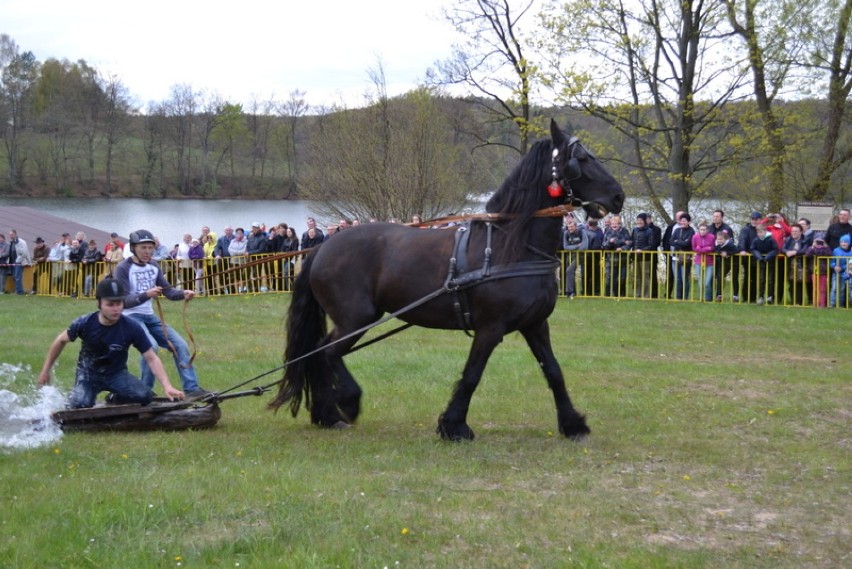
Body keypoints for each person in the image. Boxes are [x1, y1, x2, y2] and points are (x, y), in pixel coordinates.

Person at [37, 277, 185, 408]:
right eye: (110, 304)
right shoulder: (85, 322)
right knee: (80, 404)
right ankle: (77, 395)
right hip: (88, 374)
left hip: (117, 374)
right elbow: (60, 340)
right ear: (99, 304)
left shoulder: (131, 327)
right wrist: (45, 371)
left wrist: (167, 386)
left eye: (119, 303)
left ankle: (115, 397)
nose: (116, 309)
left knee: (144, 396)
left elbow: (151, 357)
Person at [114, 229, 210, 398]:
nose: (147, 252)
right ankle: (144, 391)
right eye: (143, 248)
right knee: (151, 347)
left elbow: (168, 292)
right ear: (134, 248)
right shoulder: (123, 268)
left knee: (180, 345)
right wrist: (146, 295)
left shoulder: (153, 265)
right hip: (130, 318)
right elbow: (123, 300)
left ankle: (192, 388)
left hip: (149, 316)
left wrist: (183, 293)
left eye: (150, 248)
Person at [602, 214, 631, 297]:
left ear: (620, 224)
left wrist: (622, 248)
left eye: (616, 223)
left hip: (623, 259)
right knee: (610, 278)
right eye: (612, 223)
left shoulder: (625, 231)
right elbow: (604, 245)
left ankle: (621, 295)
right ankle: (607, 295)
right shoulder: (607, 231)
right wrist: (610, 242)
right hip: (610, 259)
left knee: (622, 278)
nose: (614, 225)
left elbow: (629, 243)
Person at [751, 224, 779, 305]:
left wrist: (768, 256)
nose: (760, 234)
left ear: (765, 231)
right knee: (761, 279)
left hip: (770, 261)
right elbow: (753, 249)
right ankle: (761, 297)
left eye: (761, 232)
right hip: (761, 262)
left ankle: (770, 296)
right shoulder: (755, 240)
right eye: (758, 232)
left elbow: (775, 249)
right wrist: (759, 257)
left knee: (770, 280)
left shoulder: (771, 240)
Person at [737, 212, 762, 303]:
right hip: (748, 258)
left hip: (759, 258)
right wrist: (742, 249)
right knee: (748, 277)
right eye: (753, 219)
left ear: (760, 220)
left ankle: (754, 298)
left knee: (757, 279)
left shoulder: (762, 229)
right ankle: (746, 297)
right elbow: (742, 239)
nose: (754, 221)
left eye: (756, 219)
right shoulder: (745, 229)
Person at [669, 213, 695, 300]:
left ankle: (685, 297)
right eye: (681, 221)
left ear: (689, 222)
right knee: (678, 279)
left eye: (684, 221)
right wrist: (680, 242)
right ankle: (678, 297)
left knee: (685, 278)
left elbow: (687, 243)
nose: (682, 222)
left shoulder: (691, 231)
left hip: (686, 258)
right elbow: (671, 241)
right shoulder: (677, 230)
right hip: (675, 257)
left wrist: (677, 241)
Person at [561, 216, 588, 298]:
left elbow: (585, 246)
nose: (570, 228)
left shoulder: (582, 232)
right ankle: (572, 292)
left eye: (572, 226)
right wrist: (577, 246)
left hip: (581, 256)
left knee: (569, 270)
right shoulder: (566, 233)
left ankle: (569, 292)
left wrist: (573, 248)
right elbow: (565, 247)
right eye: (569, 227)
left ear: (576, 226)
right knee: (569, 272)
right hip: (570, 256)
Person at [631, 213, 656, 298]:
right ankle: (637, 294)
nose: (639, 222)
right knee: (636, 276)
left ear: (645, 221)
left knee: (645, 276)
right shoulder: (634, 230)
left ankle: (646, 295)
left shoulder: (649, 231)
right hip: (635, 257)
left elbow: (651, 245)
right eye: (638, 220)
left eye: (641, 220)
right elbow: (632, 242)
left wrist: (642, 250)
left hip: (645, 257)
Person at [662, 211, 686, 299]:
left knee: (681, 276)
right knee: (670, 275)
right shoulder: (671, 227)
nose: (678, 219)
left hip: (683, 256)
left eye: (680, 217)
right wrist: (665, 252)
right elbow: (666, 240)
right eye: (677, 217)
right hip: (670, 255)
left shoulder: (688, 229)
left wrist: (678, 243)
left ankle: (681, 295)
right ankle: (668, 294)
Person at [782, 224, 807, 305]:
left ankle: (799, 302)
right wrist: (786, 252)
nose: (794, 233)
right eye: (792, 231)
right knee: (791, 282)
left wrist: (794, 252)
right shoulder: (787, 239)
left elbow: (805, 250)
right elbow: (783, 248)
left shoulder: (805, 240)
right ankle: (793, 301)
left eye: (796, 231)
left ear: (801, 232)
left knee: (799, 283)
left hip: (801, 264)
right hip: (790, 264)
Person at [692, 221, 716, 302]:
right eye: (701, 229)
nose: (702, 231)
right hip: (698, 261)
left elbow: (712, 248)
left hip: (710, 261)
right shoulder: (695, 237)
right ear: (699, 230)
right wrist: (706, 248)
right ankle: (701, 298)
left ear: (707, 230)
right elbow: (694, 248)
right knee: (700, 280)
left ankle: (708, 298)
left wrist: (701, 249)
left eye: (704, 230)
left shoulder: (712, 237)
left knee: (707, 282)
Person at [805, 237, 832, 308]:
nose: (819, 244)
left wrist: (826, 247)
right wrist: (812, 247)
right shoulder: (812, 248)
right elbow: (807, 254)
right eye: (817, 242)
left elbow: (830, 254)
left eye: (821, 242)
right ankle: (815, 303)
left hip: (823, 271)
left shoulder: (825, 249)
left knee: (822, 289)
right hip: (814, 270)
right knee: (815, 288)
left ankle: (822, 304)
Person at [713, 230, 738, 301]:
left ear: (725, 239)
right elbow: (715, 250)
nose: (719, 241)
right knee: (720, 276)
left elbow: (736, 250)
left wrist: (727, 253)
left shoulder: (730, 244)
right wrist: (720, 252)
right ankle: (719, 295)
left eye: (721, 239)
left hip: (735, 262)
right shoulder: (716, 244)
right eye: (718, 239)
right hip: (725, 262)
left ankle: (735, 295)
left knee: (734, 278)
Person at [829, 234, 852, 308]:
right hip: (836, 272)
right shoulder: (836, 250)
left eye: (845, 242)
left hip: (845, 272)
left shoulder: (851, 252)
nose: (843, 243)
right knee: (834, 288)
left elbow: (850, 263)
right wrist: (834, 266)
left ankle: (841, 304)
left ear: (849, 243)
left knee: (842, 289)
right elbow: (832, 261)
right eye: (841, 242)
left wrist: (842, 267)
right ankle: (831, 304)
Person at [6, 229, 32, 295]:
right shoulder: (12, 243)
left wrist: (18, 260)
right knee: (15, 276)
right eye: (10, 235)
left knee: (17, 277)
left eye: (12, 235)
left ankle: (19, 291)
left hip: (19, 262)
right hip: (13, 262)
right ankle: (18, 290)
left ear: (15, 234)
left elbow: (25, 253)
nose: (10, 236)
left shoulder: (21, 242)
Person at [582, 218, 603, 297]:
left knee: (595, 275)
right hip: (589, 256)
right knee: (587, 274)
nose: (593, 228)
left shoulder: (599, 232)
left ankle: (594, 292)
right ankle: (587, 291)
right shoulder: (586, 232)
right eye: (592, 226)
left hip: (594, 256)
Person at [228, 227, 249, 293]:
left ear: (243, 234)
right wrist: (238, 253)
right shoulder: (232, 241)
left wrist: (236, 253)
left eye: (240, 233)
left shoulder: (246, 241)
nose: (239, 234)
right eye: (237, 233)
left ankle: (242, 289)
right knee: (234, 276)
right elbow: (230, 250)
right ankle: (236, 290)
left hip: (242, 261)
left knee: (243, 276)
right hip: (233, 261)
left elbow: (244, 250)